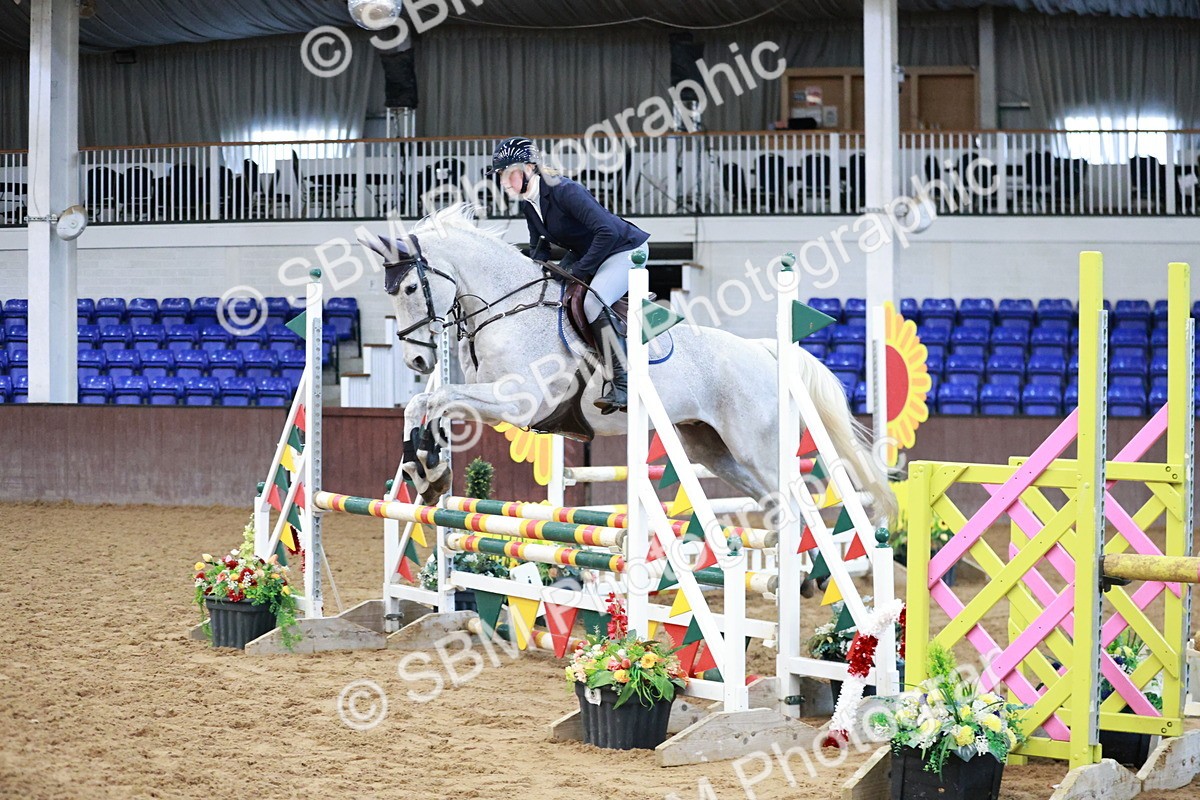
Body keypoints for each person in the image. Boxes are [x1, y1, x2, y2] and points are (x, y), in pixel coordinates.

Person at [486, 136, 649, 414]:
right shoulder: (529, 202)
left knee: (591, 303)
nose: (503, 182)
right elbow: (540, 248)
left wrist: (579, 270)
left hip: (623, 249)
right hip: (591, 250)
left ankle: (623, 382)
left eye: (507, 173)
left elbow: (607, 231)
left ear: (529, 168)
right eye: (500, 175)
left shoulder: (564, 190)